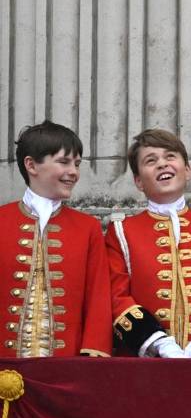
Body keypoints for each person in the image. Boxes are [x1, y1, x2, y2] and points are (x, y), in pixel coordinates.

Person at [108, 129, 191, 358]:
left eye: (170, 156)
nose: (162, 164)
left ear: (188, 170)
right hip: (142, 368)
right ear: (139, 181)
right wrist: (157, 342)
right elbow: (116, 297)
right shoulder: (121, 232)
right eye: (151, 161)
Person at [0, 121, 111, 357]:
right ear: (31, 165)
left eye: (77, 164)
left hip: (66, 369)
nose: (73, 172)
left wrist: (92, 356)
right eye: (64, 162)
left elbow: (98, 299)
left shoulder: (87, 227)